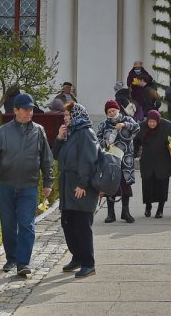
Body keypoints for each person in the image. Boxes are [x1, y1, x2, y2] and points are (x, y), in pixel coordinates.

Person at [0, 93, 53, 277]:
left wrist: (48, 182)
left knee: (26, 224)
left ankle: (23, 263)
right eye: (26, 109)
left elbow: (46, 158)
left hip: (29, 186)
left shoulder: (39, 131)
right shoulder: (3, 132)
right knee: (8, 224)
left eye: (31, 109)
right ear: (15, 110)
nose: (30, 112)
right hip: (6, 185)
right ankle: (11, 258)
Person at [54, 102, 98, 278]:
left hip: (81, 188)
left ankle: (89, 263)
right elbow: (57, 156)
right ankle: (78, 257)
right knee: (67, 224)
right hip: (68, 187)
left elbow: (88, 160)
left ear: (76, 115)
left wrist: (83, 184)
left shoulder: (86, 133)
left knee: (81, 226)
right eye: (64, 115)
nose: (65, 118)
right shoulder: (70, 134)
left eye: (67, 115)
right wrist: (59, 137)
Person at [98, 99, 141, 223]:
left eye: (113, 110)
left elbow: (137, 128)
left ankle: (125, 212)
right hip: (110, 161)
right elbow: (96, 139)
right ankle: (110, 214)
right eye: (109, 111)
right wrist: (104, 142)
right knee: (111, 186)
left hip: (125, 160)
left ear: (118, 110)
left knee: (125, 186)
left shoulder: (127, 120)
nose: (111, 113)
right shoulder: (103, 125)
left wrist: (124, 125)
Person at [137, 109, 171, 217]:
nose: (152, 124)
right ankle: (148, 206)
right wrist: (134, 152)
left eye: (154, 122)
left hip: (162, 161)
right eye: (150, 122)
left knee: (162, 186)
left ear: (158, 121)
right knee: (147, 186)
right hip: (147, 161)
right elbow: (136, 141)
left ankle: (160, 209)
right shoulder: (142, 126)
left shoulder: (166, 125)